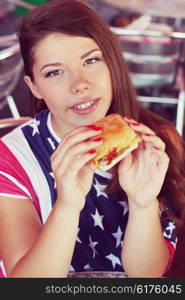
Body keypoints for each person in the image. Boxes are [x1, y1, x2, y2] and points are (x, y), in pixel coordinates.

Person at [0, 0, 184, 278]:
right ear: (34, 87)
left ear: (112, 61)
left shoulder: (156, 144)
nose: (79, 84)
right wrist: (68, 205)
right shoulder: (11, 159)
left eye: (91, 60)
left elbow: (146, 278)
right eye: (54, 72)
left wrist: (142, 203)